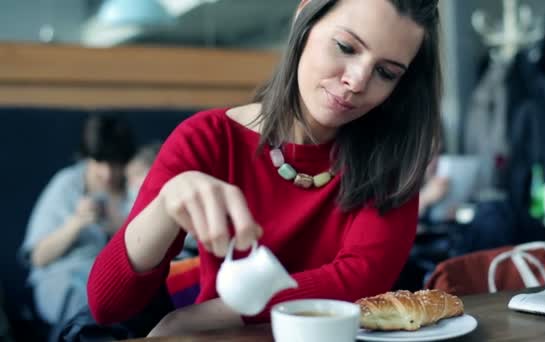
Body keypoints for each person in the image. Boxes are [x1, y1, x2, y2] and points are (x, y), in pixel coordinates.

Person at [87, 0, 442, 337]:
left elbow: (360, 281)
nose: (357, 81)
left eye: (386, 72)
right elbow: (108, 306)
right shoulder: (207, 139)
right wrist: (166, 205)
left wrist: (208, 315)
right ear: (305, 17)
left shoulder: (392, 157)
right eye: (346, 47)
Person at [20, 114, 135, 325]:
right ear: (86, 158)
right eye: (99, 162)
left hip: (117, 280)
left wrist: (120, 226)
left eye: (115, 164)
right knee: (89, 306)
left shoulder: (135, 184)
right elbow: (39, 257)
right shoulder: (67, 184)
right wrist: (76, 224)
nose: (107, 173)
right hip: (64, 279)